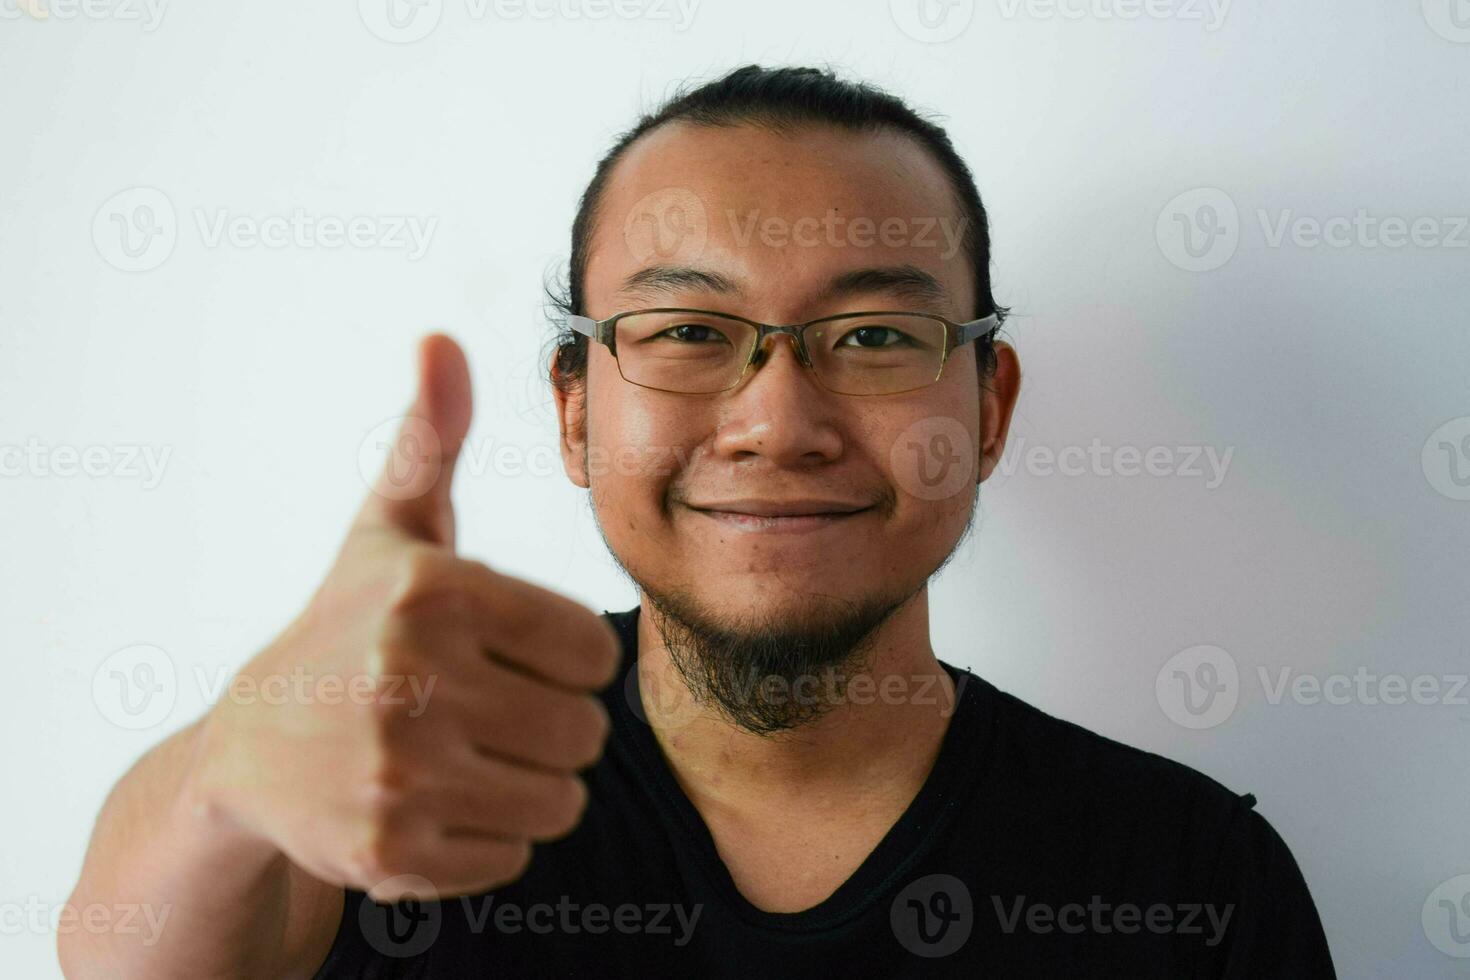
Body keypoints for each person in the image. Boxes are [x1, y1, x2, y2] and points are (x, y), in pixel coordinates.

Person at [60, 65, 1335, 977]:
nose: (777, 420)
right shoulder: (400, 784)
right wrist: (227, 768)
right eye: (687, 332)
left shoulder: (1186, 875)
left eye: (877, 335)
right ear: (573, 410)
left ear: (989, 406)